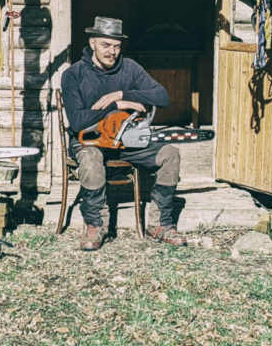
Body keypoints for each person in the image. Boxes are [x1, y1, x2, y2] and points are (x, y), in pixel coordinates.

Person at [61, 16, 186, 251]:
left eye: (117, 46)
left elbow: (162, 97)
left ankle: (160, 224)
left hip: (127, 143)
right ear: (92, 43)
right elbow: (77, 121)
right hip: (90, 141)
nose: (112, 52)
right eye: (106, 45)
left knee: (170, 153)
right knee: (90, 159)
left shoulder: (130, 68)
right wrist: (114, 106)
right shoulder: (74, 74)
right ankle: (96, 224)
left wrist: (123, 94)